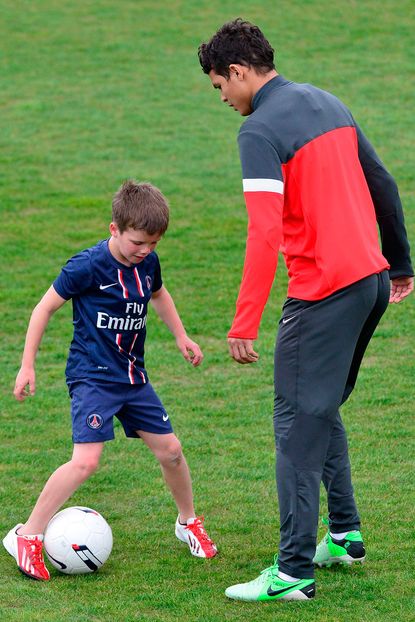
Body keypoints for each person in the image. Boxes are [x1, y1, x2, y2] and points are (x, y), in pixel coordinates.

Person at [198, 18, 413, 602]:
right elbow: (383, 183)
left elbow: (264, 233)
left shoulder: (260, 130)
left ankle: (292, 571)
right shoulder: (328, 102)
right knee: (318, 409)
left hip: (322, 295)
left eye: (220, 87)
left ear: (238, 72)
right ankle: (343, 535)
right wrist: (399, 262)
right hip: (369, 283)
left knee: (295, 424)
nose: (224, 99)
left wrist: (244, 322)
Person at [4, 180, 217, 581]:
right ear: (114, 228)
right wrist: (27, 365)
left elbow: (158, 295)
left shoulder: (148, 263)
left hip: (133, 377)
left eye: (153, 244)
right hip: (92, 377)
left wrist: (181, 335)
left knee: (171, 450)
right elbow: (43, 309)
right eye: (138, 242)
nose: (145, 251)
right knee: (86, 461)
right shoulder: (86, 266)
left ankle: (187, 522)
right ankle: (28, 535)